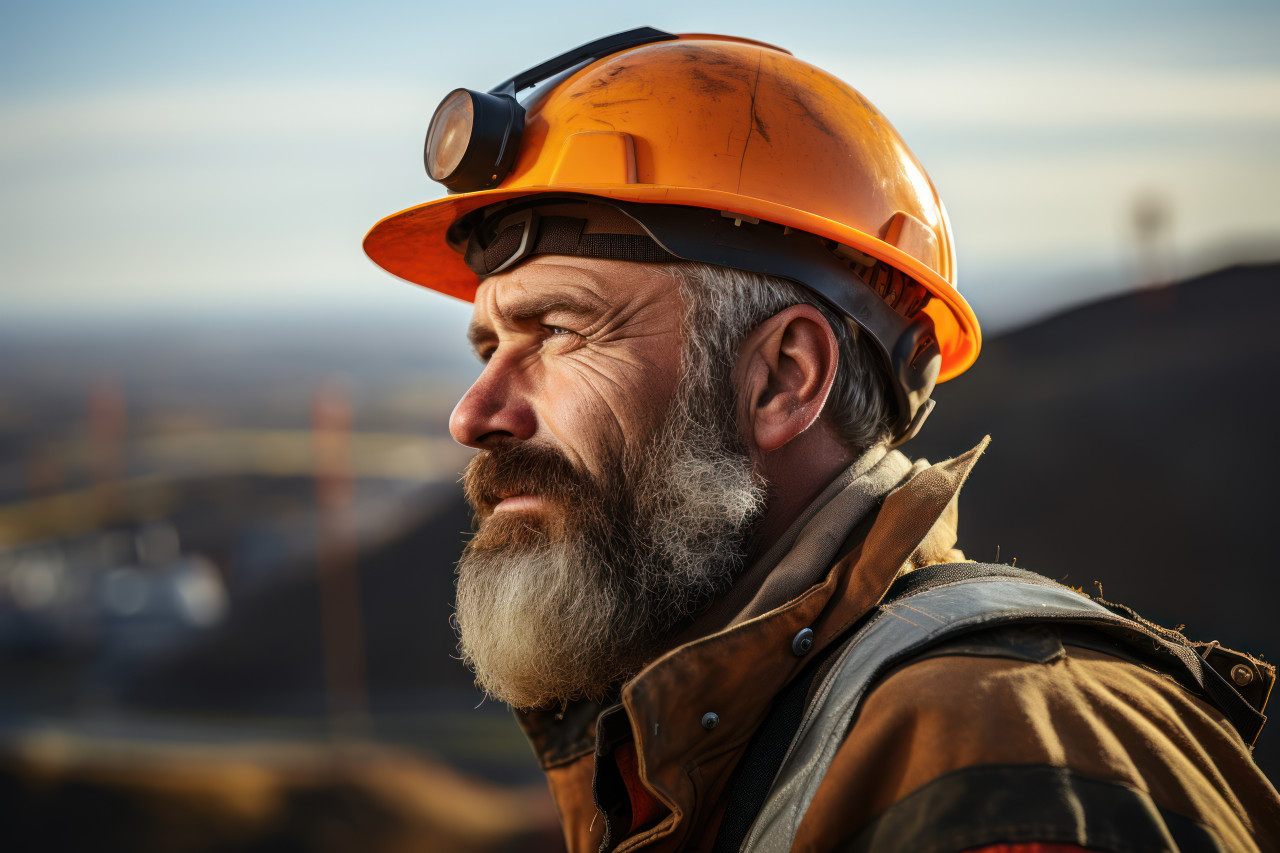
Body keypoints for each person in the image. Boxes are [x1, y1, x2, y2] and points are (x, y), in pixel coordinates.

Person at [364, 28, 1280, 852]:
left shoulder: (1008, 751)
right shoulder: (690, 743)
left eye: (561, 330)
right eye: (488, 346)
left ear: (782, 377)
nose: (473, 413)